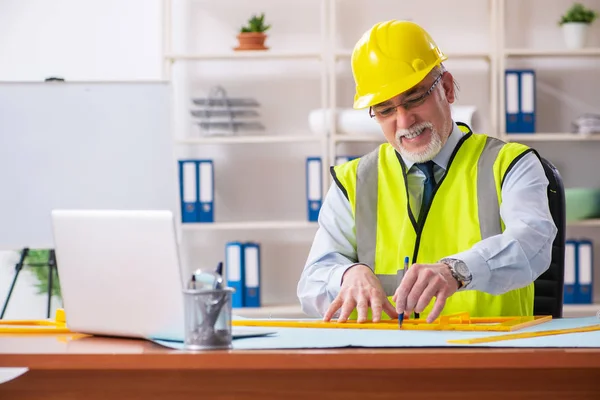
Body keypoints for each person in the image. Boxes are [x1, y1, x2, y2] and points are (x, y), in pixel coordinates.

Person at [296, 20, 558, 324]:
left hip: (488, 355)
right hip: (385, 359)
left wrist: (457, 270)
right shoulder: (353, 181)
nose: (404, 121)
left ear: (446, 88)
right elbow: (311, 284)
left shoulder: (511, 163)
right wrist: (347, 274)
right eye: (385, 110)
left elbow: (532, 243)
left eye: (414, 98)